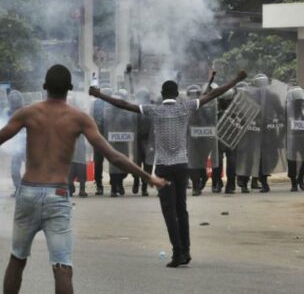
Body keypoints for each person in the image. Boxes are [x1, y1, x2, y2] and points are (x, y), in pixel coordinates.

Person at [0, 65, 166, 294]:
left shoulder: (29, 113)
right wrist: (148, 178)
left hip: (28, 192)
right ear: (69, 90)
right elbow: (112, 154)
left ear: (44, 86)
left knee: (17, 259)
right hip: (56, 195)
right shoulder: (79, 118)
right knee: (62, 267)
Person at [91, 69, 247, 267]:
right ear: (176, 94)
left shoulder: (154, 110)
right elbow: (213, 94)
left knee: (169, 211)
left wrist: (100, 95)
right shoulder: (185, 108)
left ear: (163, 94)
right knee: (182, 209)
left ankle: (177, 252)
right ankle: (186, 250)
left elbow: (123, 104)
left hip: (164, 166)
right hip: (182, 165)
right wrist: (236, 79)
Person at [211, 87, 237, 194]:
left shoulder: (235, 109)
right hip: (219, 138)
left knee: (229, 162)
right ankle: (219, 183)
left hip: (231, 138)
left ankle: (227, 184)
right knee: (219, 162)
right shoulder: (215, 109)